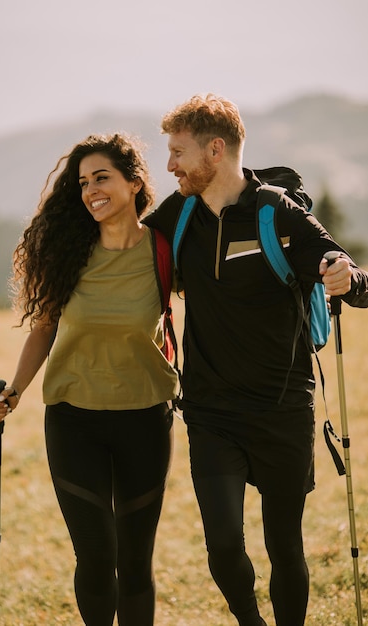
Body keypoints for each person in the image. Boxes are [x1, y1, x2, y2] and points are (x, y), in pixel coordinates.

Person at [143, 93, 368, 626]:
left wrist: (346, 277)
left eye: (178, 152)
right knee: (222, 545)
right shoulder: (178, 213)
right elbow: (120, 251)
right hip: (211, 411)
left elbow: (357, 282)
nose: (169, 165)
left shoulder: (277, 213)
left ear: (214, 150)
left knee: (285, 546)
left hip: (283, 410)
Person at [0, 133, 178, 626]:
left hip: (145, 417)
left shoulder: (163, 249)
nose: (90, 189)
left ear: (135, 183)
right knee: (95, 556)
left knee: (135, 562)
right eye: (83, 182)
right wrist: (14, 392)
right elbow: (44, 327)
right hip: (74, 421)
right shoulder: (68, 251)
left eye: (102, 178)